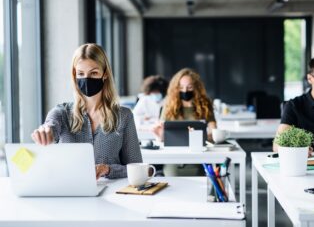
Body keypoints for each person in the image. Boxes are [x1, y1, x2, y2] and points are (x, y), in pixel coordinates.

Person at [31, 43, 142, 179]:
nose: (87, 79)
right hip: (69, 191)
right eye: (81, 73)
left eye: (94, 73)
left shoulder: (123, 116)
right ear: (74, 75)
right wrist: (45, 132)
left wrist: (107, 169)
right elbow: (50, 126)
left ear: (105, 74)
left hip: (112, 193)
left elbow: (136, 168)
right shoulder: (61, 113)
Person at [153, 68, 216, 176]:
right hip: (174, 159)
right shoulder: (169, 105)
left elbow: (213, 130)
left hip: (198, 159)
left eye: (189, 87)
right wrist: (159, 135)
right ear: (176, 88)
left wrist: (207, 136)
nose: (185, 91)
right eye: (181, 87)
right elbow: (163, 134)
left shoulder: (205, 104)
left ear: (196, 88)